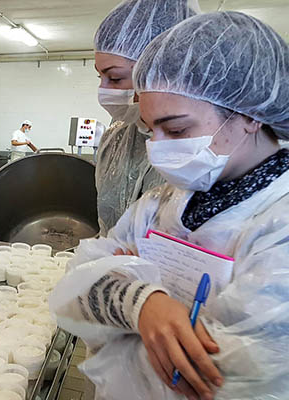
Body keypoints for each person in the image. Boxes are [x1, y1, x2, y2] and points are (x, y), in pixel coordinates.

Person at [51, 11, 289, 400]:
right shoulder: (161, 203)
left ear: (248, 114)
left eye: (177, 130)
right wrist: (142, 305)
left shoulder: (278, 223)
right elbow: (74, 287)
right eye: (150, 130)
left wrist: (121, 290)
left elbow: (228, 378)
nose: (159, 148)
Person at [93, 0, 198, 235]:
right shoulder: (116, 139)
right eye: (99, 77)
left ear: (162, 71)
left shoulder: (207, 147)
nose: (104, 91)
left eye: (116, 78)